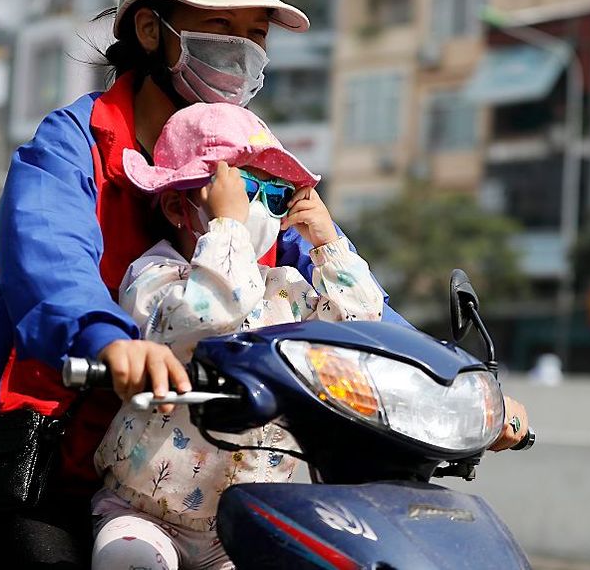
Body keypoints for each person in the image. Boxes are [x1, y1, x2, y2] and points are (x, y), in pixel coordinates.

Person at [0, 0, 529, 567]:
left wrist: (443, 384)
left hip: (211, 477)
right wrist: (109, 341)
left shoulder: (252, 176)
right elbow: (49, 263)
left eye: (258, 33)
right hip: (49, 464)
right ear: (151, 30)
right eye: (220, 26)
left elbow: (350, 309)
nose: (243, 50)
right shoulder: (68, 148)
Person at [90, 102, 384, 569]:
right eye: (245, 192)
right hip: (144, 511)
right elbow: (209, 315)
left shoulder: (284, 290)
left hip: (242, 526)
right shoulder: (157, 276)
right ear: (176, 205)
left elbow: (361, 334)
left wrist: (329, 246)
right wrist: (228, 227)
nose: (258, 213)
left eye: (275, 198)